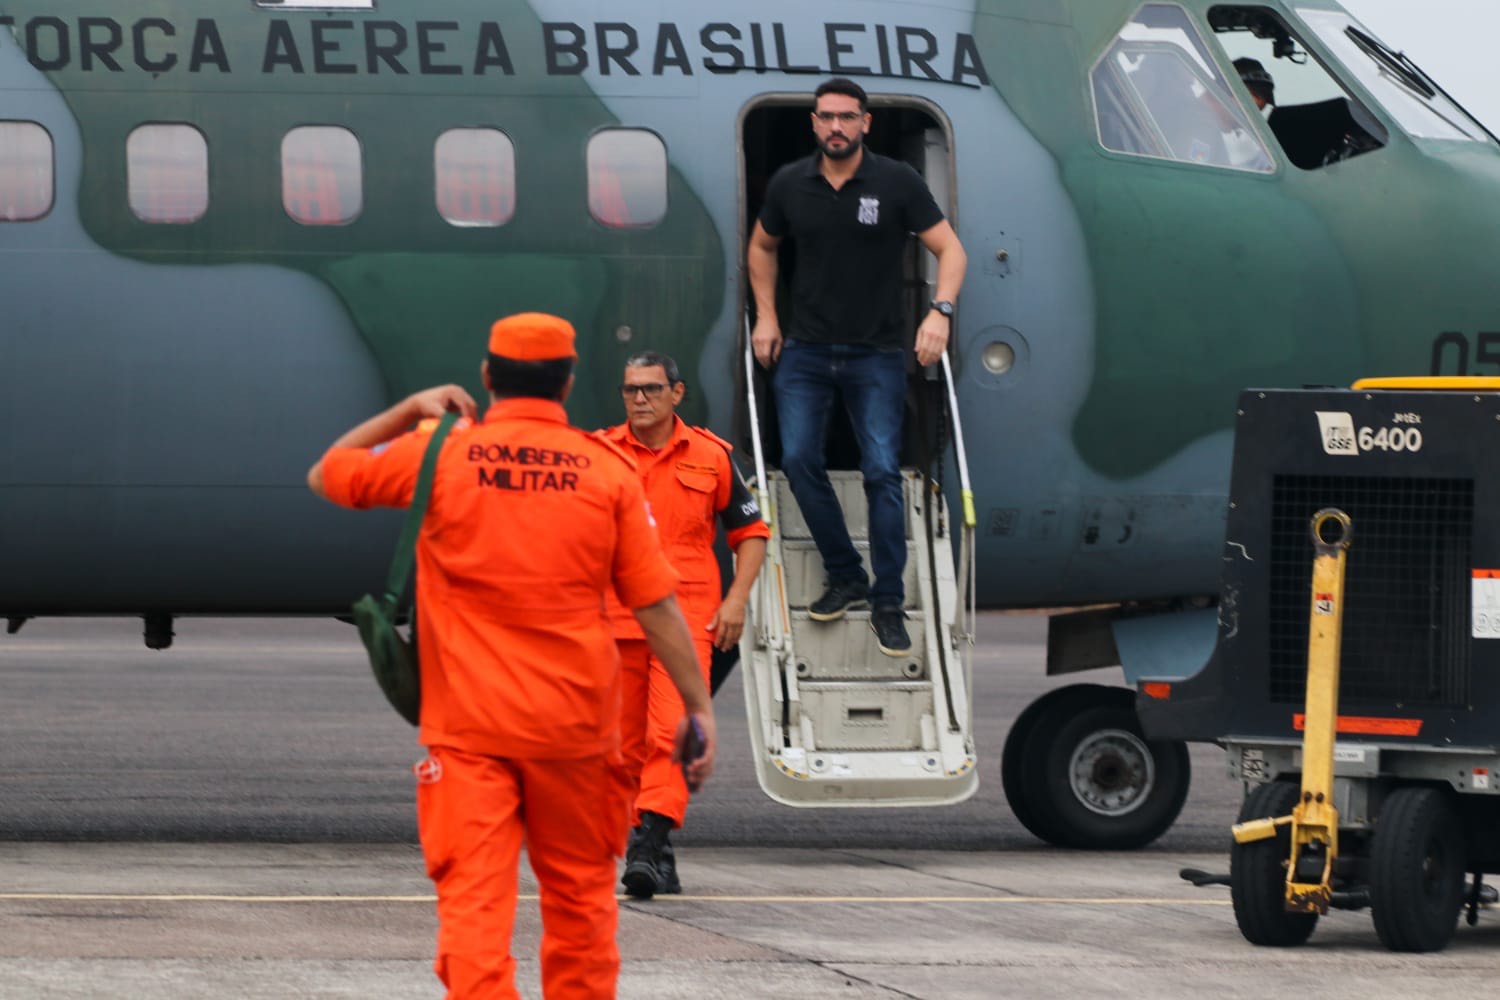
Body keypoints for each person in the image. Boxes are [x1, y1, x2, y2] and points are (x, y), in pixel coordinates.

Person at [307, 313, 715, 1000]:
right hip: (577, 736)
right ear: (568, 382)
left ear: (487, 377)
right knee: (582, 911)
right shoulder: (607, 471)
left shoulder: (440, 454)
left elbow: (327, 474)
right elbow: (656, 606)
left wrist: (409, 410)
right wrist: (698, 711)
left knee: (474, 912)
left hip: (470, 733)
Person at [747, 77, 967, 658]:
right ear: (814, 123)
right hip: (806, 351)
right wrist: (767, 316)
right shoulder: (791, 183)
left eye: (847, 116)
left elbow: (951, 250)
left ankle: (887, 603)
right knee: (798, 459)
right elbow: (762, 245)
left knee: (881, 472)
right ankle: (846, 574)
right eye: (826, 117)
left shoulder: (897, 181)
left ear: (866, 122)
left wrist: (940, 312)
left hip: (877, 353)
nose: (836, 126)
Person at [599, 351, 770, 899]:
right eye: (630, 389)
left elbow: (751, 535)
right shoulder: (600, 453)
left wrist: (737, 601)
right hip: (618, 616)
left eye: (650, 389)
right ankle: (657, 849)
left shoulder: (712, 456)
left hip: (687, 616)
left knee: (670, 731)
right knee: (625, 745)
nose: (639, 399)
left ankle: (646, 849)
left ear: (677, 393)